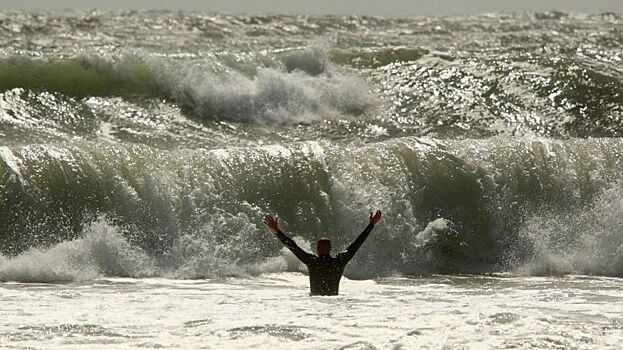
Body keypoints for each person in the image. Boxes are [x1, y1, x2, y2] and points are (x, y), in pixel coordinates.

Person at [263, 210, 382, 296]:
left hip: (315, 307)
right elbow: (357, 244)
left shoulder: (312, 261)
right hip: (333, 306)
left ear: (317, 249)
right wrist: (371, 225)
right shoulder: (339, 262)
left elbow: (292, 246)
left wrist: (277, 231)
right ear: (330, 249)